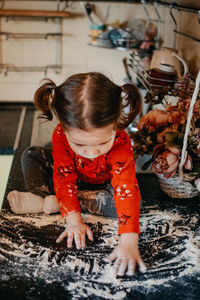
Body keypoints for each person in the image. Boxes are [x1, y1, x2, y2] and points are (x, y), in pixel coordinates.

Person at [7, 72, 146, 276]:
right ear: (64, 128)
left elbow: (125, 189)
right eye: (80, 144)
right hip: (69, 179)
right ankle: (46, 197)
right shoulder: (60, 135)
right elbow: (64, 177)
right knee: (31, 155)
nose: (91, 153)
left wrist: (129, 242)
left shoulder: (121, 141)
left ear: (115, 124)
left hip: (101, 188)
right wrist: (74, 221)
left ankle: (50, 202)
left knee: (133, 202)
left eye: (101, 143)